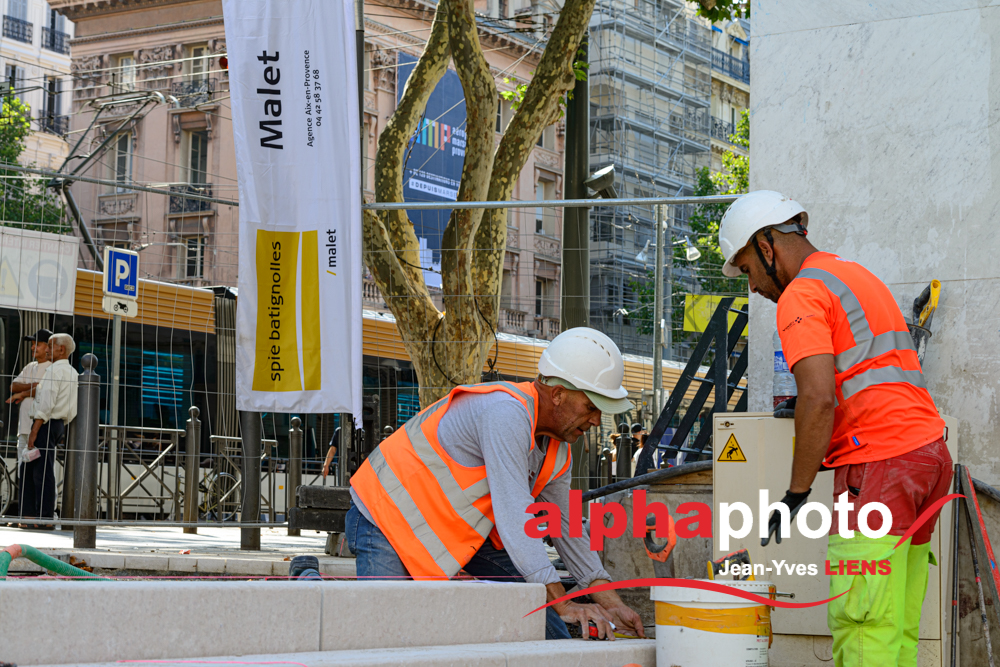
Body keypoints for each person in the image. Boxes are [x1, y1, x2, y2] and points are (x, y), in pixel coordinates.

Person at [719, 190, 952, 667]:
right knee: (897, 629)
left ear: (768, 247)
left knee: (864, 627)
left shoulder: (802, 293)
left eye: (746, 270)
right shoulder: (853, 274)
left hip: (879, 464)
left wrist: (796, 493)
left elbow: (818, 398)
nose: (753, 288)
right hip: (927, 457)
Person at [347, 327, 646, 641]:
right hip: (386, 516)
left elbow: (566, 530)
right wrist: (565, 604)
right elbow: (517, 517)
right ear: (557, 394)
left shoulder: (558, 449)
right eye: (591, 407)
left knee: (546, 623)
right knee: (387, 638)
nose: (597, 420)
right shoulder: (506, 414)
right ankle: (307, 577)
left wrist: (612, 605)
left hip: (456, 534)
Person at [24, 333, 78, 528]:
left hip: (45, 423)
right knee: (42, 469)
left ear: (61, 349)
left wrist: (34, 430)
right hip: (58, 424)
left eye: (50, 346)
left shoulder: (54, 371)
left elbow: (46, 403)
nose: (46, 349)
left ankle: (44, 518)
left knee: (42, 472)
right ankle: (38, 516)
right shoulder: (72, 372)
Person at [6, 328, 52, 523]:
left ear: (48, 347)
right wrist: (30, 388)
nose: (33, 347)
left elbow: (45, 391)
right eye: (33, 343)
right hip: (23, 430)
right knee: (23, 475)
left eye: (38, 344)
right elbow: (13, 386)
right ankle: (26, 515)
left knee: (40, 476)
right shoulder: (30, 366)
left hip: (39, 431)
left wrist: (23, 393)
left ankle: (43, 516)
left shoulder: (52, 368)